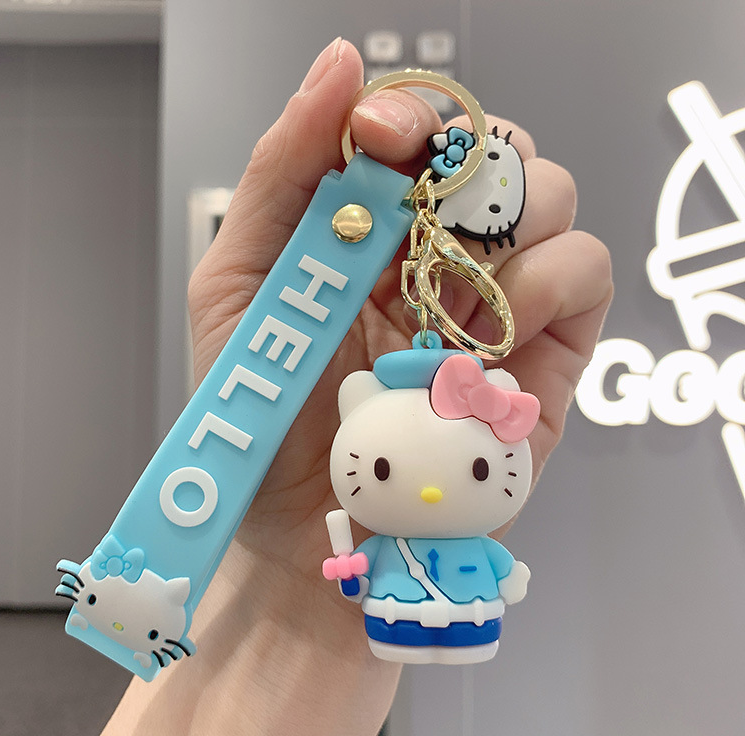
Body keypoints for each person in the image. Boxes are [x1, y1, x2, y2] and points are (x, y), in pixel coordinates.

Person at [101, 38, 613, 735]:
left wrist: (305, 603)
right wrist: (291, 583)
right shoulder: (354, 425)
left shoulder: (415, 467)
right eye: (383, 470)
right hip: (392, 606)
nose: (428, 493)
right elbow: (369, 562)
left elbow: (490, 562)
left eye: (477, 468)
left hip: (459, 609)